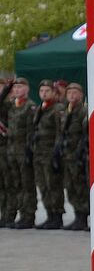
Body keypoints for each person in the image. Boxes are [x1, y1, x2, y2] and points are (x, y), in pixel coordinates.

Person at [32, 79, 66, 230]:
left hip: (50, 153)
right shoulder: (40, 108)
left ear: (53, 92)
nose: (44, 94)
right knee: (43, 185)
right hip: (38, 153)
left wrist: (56, 153)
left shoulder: (57, 108)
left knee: (53, 185)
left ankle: (57, 216)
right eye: (41, 91)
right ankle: (49, 214)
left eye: (47, 91)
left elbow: (60, 132)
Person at [4, 78, 38, 228]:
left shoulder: (29, 106)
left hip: (24, 151)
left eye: (20, 87)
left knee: (27, 185)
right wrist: (7, 88)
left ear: (27, 89)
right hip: (12, 151)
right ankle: (19, 214)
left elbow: (32, 132)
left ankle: (28, 216)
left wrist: (29, 151)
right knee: (16, 184)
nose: (17, 90)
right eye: (15, 87)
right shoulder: (11, 106)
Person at [60, 83, 90, 231]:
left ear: (81, 94)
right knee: (70, 186)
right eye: (69, 93)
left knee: (80, 187)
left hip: (78, 155)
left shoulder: (83, 111)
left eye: (75, 92)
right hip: (67, 155)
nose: (72, 95)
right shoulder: (67, 111)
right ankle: (77, 214)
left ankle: (83, 217)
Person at [0, 79, 13, 227]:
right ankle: (4, 213)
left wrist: (7, 88)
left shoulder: (8, 105)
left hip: (7, 148)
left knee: (9, 183)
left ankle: (9, 214)